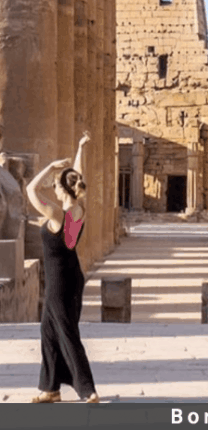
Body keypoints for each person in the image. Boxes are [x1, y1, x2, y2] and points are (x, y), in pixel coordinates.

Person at [26, 131, 99, 403]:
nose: (53, 189)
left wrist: (50, 167)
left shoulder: (56, 214)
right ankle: (50, 387)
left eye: (56, 186)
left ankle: (87, 389)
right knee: (48, 330)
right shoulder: (77, 209)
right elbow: (77, 175)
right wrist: (81, 148)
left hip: (58, 282)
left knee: (66, 332)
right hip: (72, 276)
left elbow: (31, 190)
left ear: (62, 189)